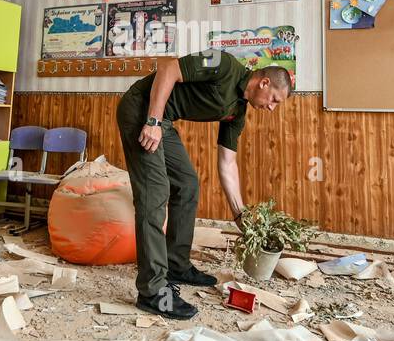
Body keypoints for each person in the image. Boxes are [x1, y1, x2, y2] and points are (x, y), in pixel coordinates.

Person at [117, 50, 292, 319]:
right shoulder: (223, 63)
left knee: (187, 184)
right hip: (142, 109)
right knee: (155, 193)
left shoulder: (237, 112)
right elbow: (168, 69)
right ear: (264, 83)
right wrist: (152, 121)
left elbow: (227, 163)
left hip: (163, 120)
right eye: (274, 100)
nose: (271, 108)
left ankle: (176, 264)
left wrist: (239, 214)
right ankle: (153, 292)